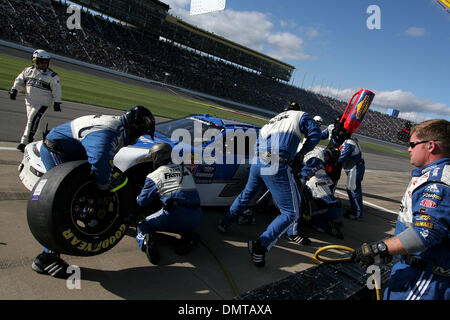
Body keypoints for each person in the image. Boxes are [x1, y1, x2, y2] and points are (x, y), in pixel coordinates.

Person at [31, 105, 156, 277]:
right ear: (135, 128)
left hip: (71, 151)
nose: (137, 139)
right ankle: (46, 259)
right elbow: (99, 161)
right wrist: (103, 189)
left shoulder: (118, 128)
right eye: (141, 134)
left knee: (85, 192)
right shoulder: (109, 133)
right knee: (59, 206)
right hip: (58, 152)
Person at [352, 119, 449, 300]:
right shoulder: (433, 174)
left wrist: (379, 249)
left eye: (412, 144)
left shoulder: (439, 182)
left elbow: (425, 233)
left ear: (430, 146)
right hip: (413, 268)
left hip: (424, 278)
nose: (409, 149)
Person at [217, 100, 322, 267]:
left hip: (258, 161)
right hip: (275, 163)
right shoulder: (300, 116)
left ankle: (224, 223)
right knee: (291, 212)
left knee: (247, 194)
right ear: (297, 110)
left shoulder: (272, 121)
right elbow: (315, 134)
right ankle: (260, 246)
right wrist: (301, 153)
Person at [135, 143, 203, 264]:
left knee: (142, 225)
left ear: (157, 157)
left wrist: (137, 196)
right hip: (197, 216)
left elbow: (142, 202)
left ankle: (146, 241)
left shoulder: (154, 175)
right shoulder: (185, 170)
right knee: (184, 224)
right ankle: (189, 237)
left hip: (175, 214)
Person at [9, 49, 62, 152]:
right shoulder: (27, 71)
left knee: (31, 120)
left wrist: (57, 102)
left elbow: (57, 89)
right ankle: (36, 141)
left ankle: (25, 142)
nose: (44, 64)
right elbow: (19, 81)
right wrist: (15, 90)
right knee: (33, 122)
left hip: (43, 103)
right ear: (35, 61)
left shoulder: (52, 76)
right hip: (29, 101)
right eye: (41, 62)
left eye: (46, 62)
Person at [299, 146, 343, 239]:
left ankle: (326, 219)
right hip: (310, 181)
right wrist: (300, 190)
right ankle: (318, 223)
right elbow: (304, 174)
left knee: (331, 206)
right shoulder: (318, 159)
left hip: (312, 177)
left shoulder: (320, 153)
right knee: (331, 210)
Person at [338, 135, 365, 220]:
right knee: (356, 188)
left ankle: (356, 213)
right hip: (357, 166)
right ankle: (357, 210)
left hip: (355, 168)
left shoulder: (349, 142)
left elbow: (342, 157)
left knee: (352, 189)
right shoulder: (351, 139)